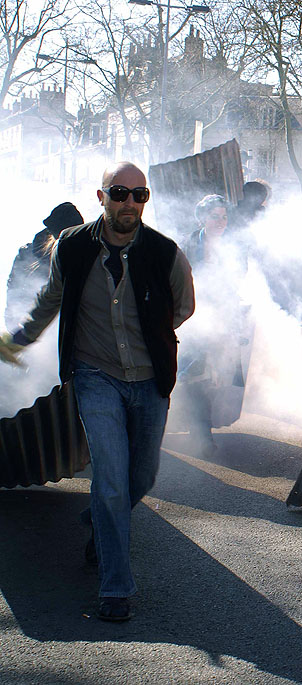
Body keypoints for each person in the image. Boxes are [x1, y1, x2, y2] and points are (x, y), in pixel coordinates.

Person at [0, 162, 195, 622]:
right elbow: (51, 298)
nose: (130, 203)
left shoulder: (166, 252)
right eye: (120, 193)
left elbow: (184, 306)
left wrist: (150, 331)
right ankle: (115, 588)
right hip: (95, 377)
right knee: (109, 478)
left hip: (149, 381)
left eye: (139, 195)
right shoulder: (70, 246)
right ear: (101, 195)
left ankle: (100, 525)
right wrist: (20, 338)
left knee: (140, 478)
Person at [177, 194, 248, 455]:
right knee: (194, 373)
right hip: (194, 316)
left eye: (224, 216)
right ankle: (198, 432)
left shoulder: (235, 246)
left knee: (217, 375)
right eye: (215, 216)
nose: (220, 221)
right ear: (202, 217)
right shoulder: (188, 242)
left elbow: (240, 275)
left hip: (223, 316)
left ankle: (204, 428)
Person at [5, 202, 84, 329]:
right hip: (31, 326)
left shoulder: (85, 257)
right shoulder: (27, 256)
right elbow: (15, 289)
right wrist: (12, 322)